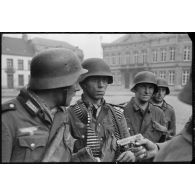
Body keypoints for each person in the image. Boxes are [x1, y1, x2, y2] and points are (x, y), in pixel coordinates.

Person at [2, 48, 87, 163]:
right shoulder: (7, 119)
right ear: (60, 83)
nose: (78, 88)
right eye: (75, 81)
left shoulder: (62, 114)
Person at [68, 58, 135, 162]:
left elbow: (128, 147)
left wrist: (130, 154)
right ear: (83, 83)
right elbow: (60, 157)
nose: (101, 85)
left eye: (104, 80)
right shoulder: (70, 114)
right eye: (95, 80)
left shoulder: (117, 114)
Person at [123, 71, 168, 143]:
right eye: (143, 86)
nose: (147, 91)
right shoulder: (122, 112)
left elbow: (163, 144)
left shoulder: (159, 113)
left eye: (150, 87)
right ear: (135, 88)